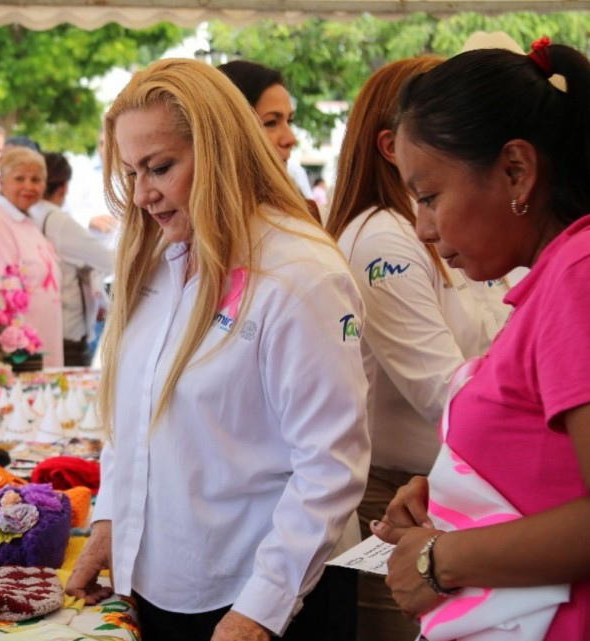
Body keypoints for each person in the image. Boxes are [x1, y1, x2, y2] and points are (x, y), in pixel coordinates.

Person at [64, 58, 369, 641]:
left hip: (269, 597)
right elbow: (134, 416)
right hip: (165, 584)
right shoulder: (158, 258)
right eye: (131, 173)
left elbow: (331, 465)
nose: (143, 194)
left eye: (160, 168)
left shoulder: (299, 274)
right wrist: (110, 519)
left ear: (220, 152)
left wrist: (259, 610)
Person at [372, 39, 590, 639]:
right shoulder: (553, 281)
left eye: (429, 197)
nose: (422, 227)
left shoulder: (576, 278)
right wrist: (451, 496)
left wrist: (439, 559)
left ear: (516, 171)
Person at [324, 55, 513, 641]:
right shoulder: (384, 236)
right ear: (392, 144)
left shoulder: (437, 226)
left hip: (445, 483)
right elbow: (444, 390)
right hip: (399, 494)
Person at [0, 147, 64, 368]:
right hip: (21, 355)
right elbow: (2, 297)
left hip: (43, 342)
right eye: (20, 178)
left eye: (36, 179)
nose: (28, 186)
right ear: (2, 182)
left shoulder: (26, 219)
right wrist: (17, 350)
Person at [29, 152, 113, 366]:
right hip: (67, 332)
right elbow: (110, 261)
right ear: (64, 187)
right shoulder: (58, 221)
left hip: (38, 328)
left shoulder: (29, 214)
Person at [218, 60, 320, 221]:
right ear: (228, 130)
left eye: (289, 121)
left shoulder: (305, 219)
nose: (290, 139)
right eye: (271, 122)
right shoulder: (185, 225)